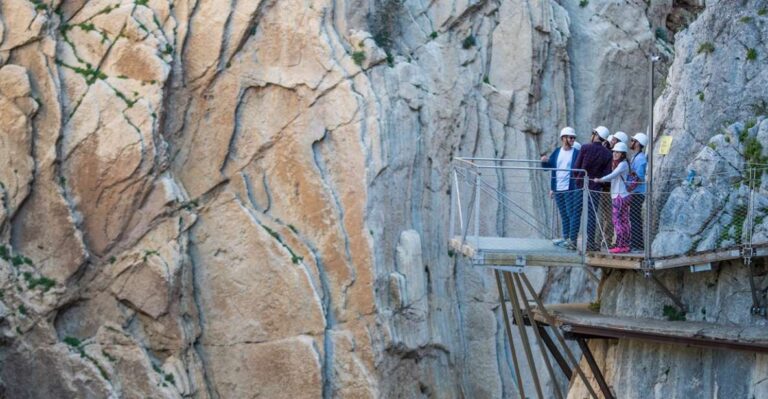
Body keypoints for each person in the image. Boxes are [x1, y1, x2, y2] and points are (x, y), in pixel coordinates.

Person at [574, 126, 613, 251]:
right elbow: (606, 174)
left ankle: (572, 240)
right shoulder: (607, 153)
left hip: (581, 185)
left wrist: (578, 179)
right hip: (595, 187)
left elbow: (576, 167)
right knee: (591, 215)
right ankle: (590, 243)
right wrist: (599, 184)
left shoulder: (585, 148)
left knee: (577, 213)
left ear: (596, 135)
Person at [541, 127, 581, 250]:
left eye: (573, 137)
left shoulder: (576, 153)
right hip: (558, 188)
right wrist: (544, 161)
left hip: (570, 188)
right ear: (563, 138)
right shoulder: (557, 151)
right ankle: (566, 237)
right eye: (570, 137)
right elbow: (548, 167)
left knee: (571, 213)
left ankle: (572, 239)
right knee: (563, 214)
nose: (572, 139)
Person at [593, 142, 631, 253]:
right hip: (623, 195)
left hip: (619, 196)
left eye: (617, 152)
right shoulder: (623, 163)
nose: (614, 153)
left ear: (623, 154)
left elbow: (613, 175)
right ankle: (625, 244)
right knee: (624, 221)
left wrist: (600, 179)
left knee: (617, 221)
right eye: (614, 151)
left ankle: (620, 245)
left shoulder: (622, 164)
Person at [629, 133, 648, 251]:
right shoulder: (635, 156)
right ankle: (636, 242)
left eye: (632, 140)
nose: (631, 142)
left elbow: (640, 176)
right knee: (634, 217)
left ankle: (637, 244)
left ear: (638, 143)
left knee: (635, 217)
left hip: (638, 192)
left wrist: (630, 173)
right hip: (635, 191)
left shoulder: (640, 158)